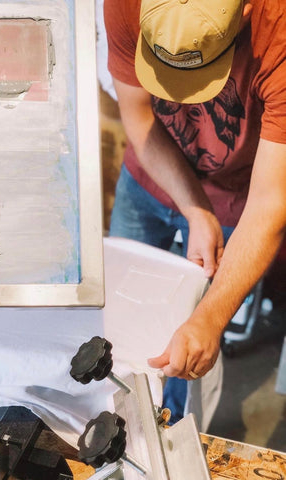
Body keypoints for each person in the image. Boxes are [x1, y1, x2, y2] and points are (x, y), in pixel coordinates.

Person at [103, 0, 286, 422]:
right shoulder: (126, 4)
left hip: (236, 194)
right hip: (149, 174)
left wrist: (211, 317)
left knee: (190, 345)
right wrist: (194, 208)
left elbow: (271, 202)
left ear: (245, 10)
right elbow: (137, 113)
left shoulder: (278, 31)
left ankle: (175, 431)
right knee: (117, 316)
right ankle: (113, 420)